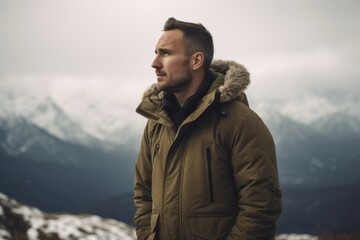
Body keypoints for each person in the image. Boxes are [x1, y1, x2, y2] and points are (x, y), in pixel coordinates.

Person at [134, 17, 282, 240]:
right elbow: (143, 193)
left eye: (165, 53)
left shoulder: (240, 122)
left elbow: (260, 208)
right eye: (156, 52)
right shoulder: (156, 122)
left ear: (196, 61)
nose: (154, 63)